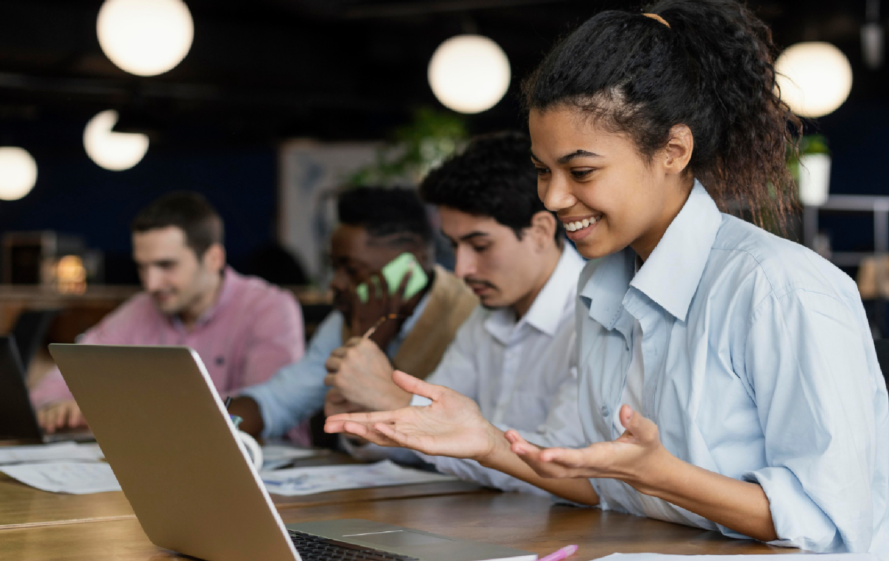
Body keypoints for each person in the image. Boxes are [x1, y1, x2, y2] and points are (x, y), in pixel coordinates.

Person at [325, 0, 889, 561]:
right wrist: (485, 441)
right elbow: (602, 483)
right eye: (542, 171)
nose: (553, 199)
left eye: (581, 171)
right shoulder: (602, 283)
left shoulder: (780, 291)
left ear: (673, 151)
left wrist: (658, 474)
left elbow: (829, 523)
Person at [322, 132, 585, 493]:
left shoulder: (595, 317)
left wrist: (393, 400)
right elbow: (443, 445)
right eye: (454, 246)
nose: (462, 269)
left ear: (540, 231)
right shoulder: (484, 316)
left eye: (480, 246)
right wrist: (368, 419)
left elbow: (574, 476)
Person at [32, 192, 304, 433]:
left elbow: (264, 410)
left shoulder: (269, 308)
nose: (151, 284)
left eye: (166, 265)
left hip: (268, 473)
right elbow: (65, 375)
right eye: (142, 267)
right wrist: (55, 404)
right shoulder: (140, 309)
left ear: (213, 259)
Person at [229, 186, 478, 445]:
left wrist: (371, 348)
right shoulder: (348, 319)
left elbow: (449, 438)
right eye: (335, 267)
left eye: (352, 269)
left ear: (411, 258)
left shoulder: (468, 315)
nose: (336, 284)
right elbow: (280, 399)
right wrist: (217, 423)